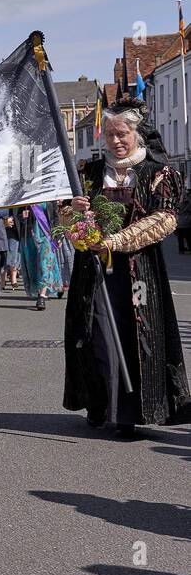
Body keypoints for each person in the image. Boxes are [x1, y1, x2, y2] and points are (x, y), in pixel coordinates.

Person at [62, 98, 191, 436]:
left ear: (138, 135)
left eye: (122, 134)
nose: (116, 141)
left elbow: (163, 221)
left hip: (137, 271)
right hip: (92, 270)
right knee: (95, 337)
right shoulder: (90, 174)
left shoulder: (157, 173)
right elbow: (68, 222)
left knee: (137, 337)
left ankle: (128, 414)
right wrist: (74, 214)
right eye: (109, 135)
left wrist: (115, 242)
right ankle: (99, 404)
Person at [15, 203, 63, 311]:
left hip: (46, 235)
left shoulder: (49, 197)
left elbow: (55, 218)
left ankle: (41, 296)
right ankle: (38, 290)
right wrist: (22, 216)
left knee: (44, 264)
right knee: (33, 265)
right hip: (29, 235)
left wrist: (58, 236)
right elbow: (18, 216)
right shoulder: (27, 197)